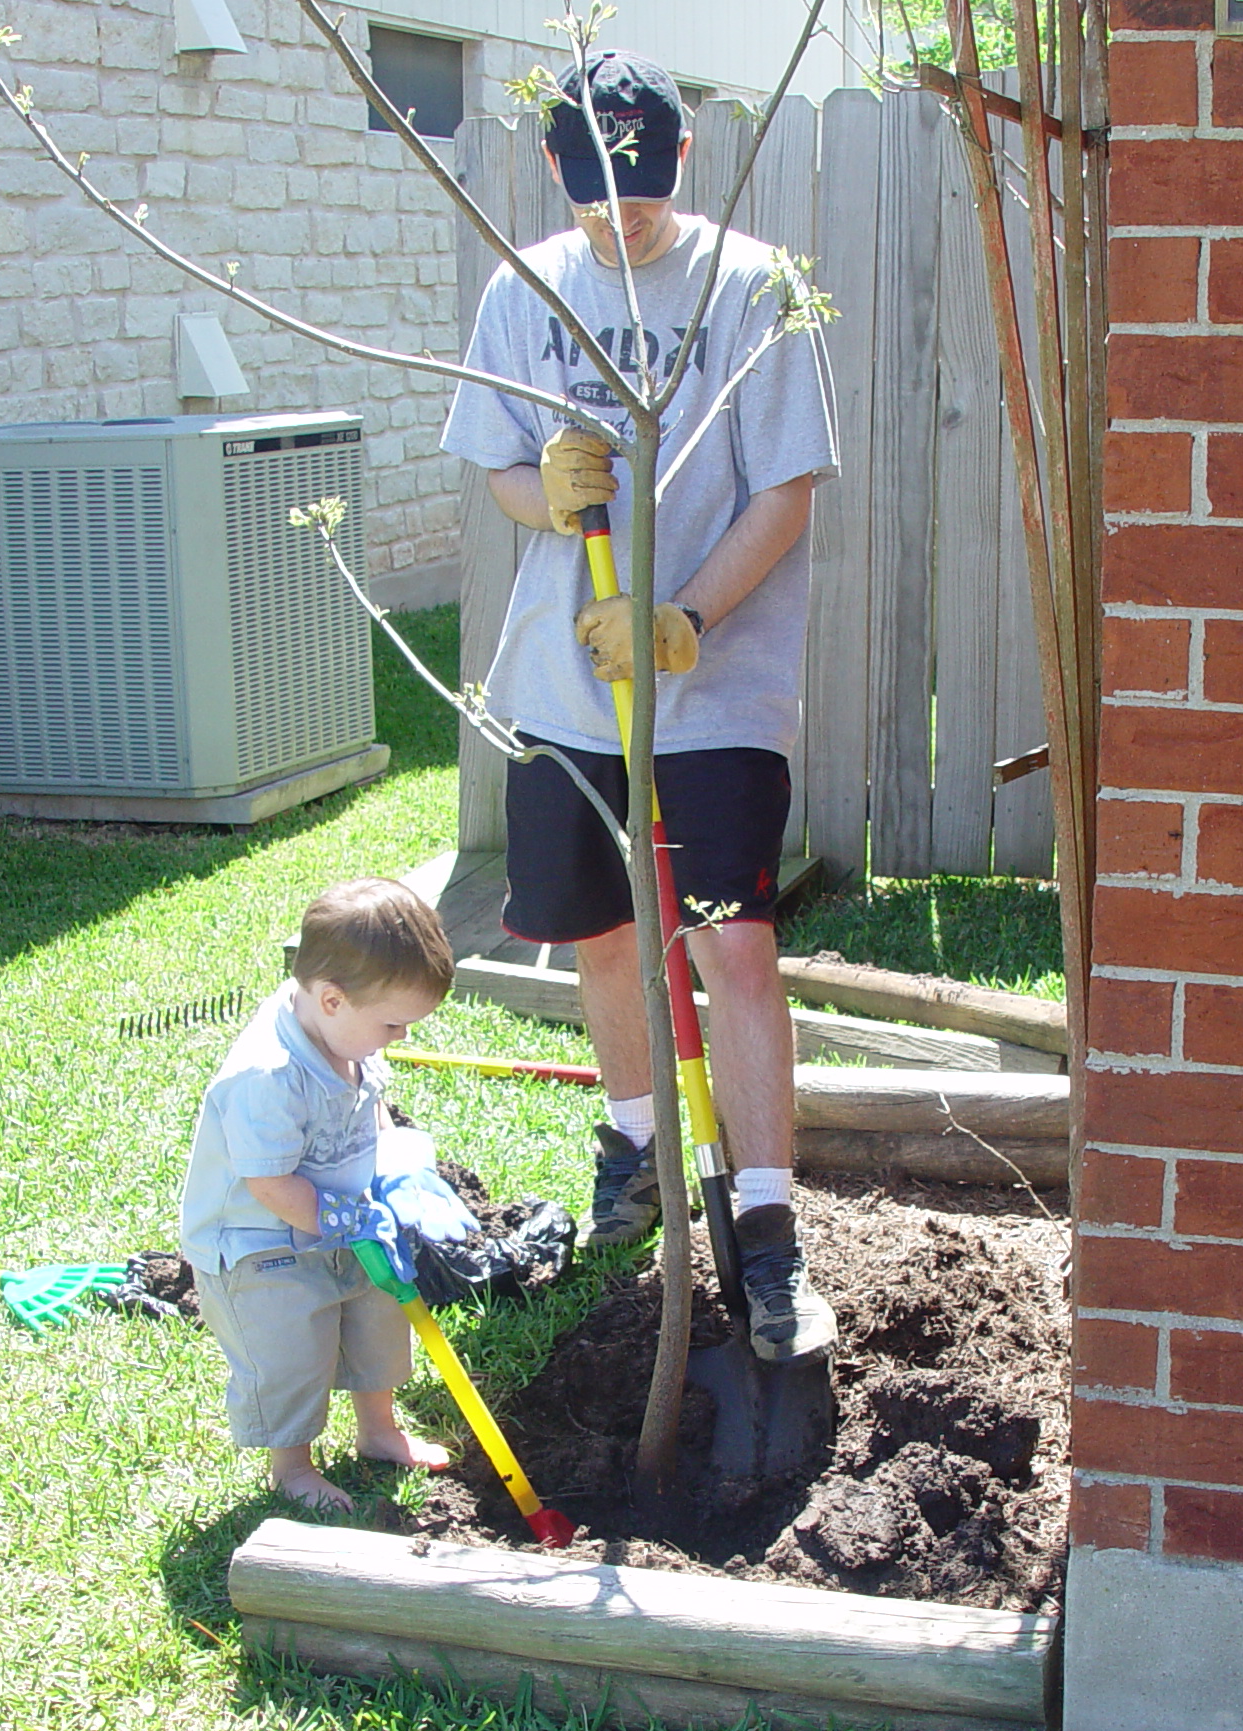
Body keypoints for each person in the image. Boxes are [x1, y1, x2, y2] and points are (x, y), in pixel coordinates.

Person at [440, 50, 840, 1367]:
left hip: (714, 692)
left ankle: (768, 1227)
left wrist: (686, 620)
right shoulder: (526, 284)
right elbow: (497, 464)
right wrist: (544, 497)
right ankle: (634, 1145)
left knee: (733, 950)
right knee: (602, 937)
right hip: (565, 689)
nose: (630, 215)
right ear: (556, 169)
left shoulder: (753, 288)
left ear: (685, 160)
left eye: (651, 184)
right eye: (604, 188)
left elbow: (787, 491)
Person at [177, 877, 458, 1511]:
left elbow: (371, 1106)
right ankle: (293, 1468)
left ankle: (379, 1432)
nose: (402, 1037)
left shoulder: (345, 1033)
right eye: (394, 1024)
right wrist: (348, 1218)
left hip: (340, 1218)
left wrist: (399, 1168)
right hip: (261, 1245)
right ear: (331, 999)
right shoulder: (268, 1076)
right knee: (292, 1354)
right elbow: (269, 1184)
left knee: (378, 1320)